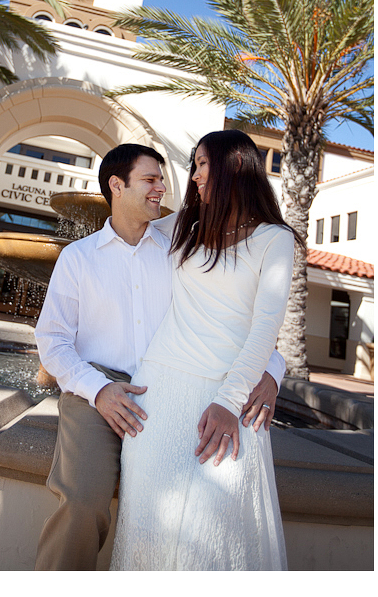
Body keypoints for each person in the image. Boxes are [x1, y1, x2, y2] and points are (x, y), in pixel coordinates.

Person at [34, 142, 286, 571]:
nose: (164, 188)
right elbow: (52, 341)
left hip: (165, 388)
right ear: (117, 185)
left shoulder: (180, 241)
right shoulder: (79, 257)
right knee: (80, 503)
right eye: (150, 180)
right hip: (97, 388)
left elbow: (236, 313)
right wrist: (98, 391)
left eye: (163, 179)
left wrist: (273, 371)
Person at [109, 130, 302, 571]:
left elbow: (265, 328)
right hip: (158, 392)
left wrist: (232, 400)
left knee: (215, 533)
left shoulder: (276, 239)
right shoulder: (186, 227)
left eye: (200, 164)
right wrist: (122, 186)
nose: (193, 177)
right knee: (146, 523)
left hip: (227, 397)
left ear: (233, 165)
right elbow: (129, 219)